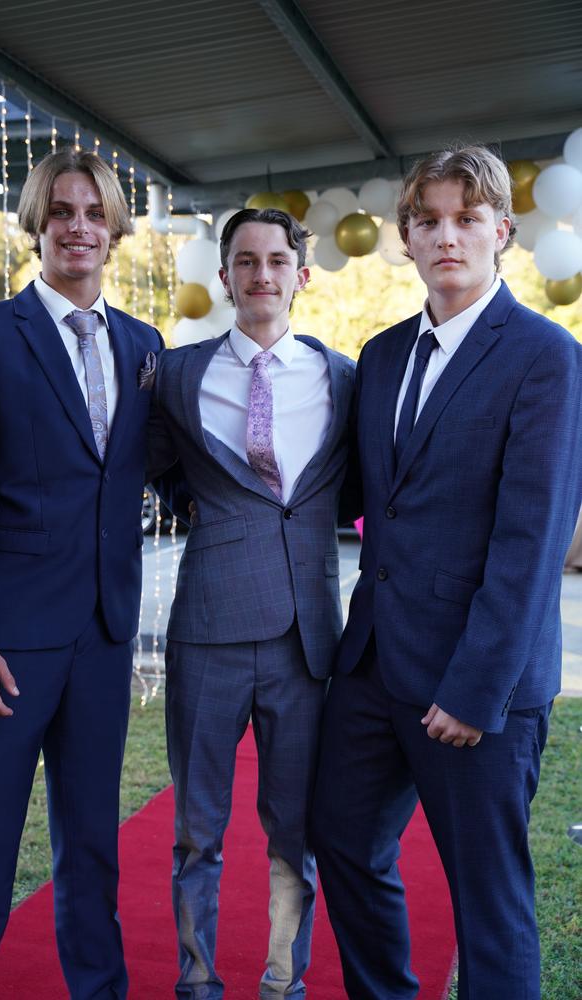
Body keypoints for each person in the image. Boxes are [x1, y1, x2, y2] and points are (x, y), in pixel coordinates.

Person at [312, 145, 582, 999]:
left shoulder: (547, 355)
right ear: (406, 238)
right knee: (344, 840)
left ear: (502, 231)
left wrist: (476, 691)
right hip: (372, 666)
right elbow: (355, 491)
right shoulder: (382, 353)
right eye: (427, 221)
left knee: (487, 900)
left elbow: (530, 540)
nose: (447, 236)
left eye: (466, 219)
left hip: (477, 682)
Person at [0, 148, 163, 1000]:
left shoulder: (144, 346)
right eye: (61, 211)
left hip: (104, 639)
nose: (79, 226)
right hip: (6, 647)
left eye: (94, 212)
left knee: (93, 847)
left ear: (115, 229)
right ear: (36, 225)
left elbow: (149, 472)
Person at [147, 207, 355, 999]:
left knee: (294, 832)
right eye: (245, 261)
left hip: (307, 638)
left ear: (302, 275)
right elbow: (154, 467)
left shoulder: (344, 376)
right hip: (208, 628)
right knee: (197, 829)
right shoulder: (176, 374)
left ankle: (283, 981)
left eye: (276, 260)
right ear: (225, 274)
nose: (261, 274)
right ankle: (197, 983)